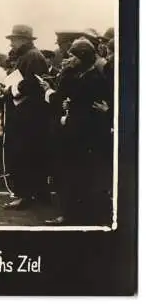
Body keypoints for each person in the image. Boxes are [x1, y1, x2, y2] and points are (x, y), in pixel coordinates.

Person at [40, 37, 112, 225]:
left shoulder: (91, 79)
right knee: (78, 175)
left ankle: (70, 214)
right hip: (82, 134)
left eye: (73, 55)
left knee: (72, 174)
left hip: (80, 136)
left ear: (82, 57)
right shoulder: (86, 75)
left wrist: (67, 116)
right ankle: (76, 213)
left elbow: (82, 109)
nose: (69, 59)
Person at [2, 24, 51, 209]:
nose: (11, 43)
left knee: (25, 154)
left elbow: (33, 84)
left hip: (29, 116)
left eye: (13, 39)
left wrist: (11, 90)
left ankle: (26, 195)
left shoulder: (33, 56)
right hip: (26, 114)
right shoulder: (27, 56)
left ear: (23, 39)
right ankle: (36, 194)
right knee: (30, 154)